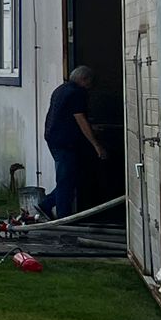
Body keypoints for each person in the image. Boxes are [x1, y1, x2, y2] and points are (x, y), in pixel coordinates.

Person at [43, 65, 108, 219]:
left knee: (69, 177)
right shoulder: (77, 93)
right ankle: (63, 217)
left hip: (54, 138)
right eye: (90, 82)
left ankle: (46, 205)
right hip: (65, 142)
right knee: (66, 179)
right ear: (83, 79)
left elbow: (66, 116)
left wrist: (91, 128)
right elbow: (80, 119)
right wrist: (97, 145)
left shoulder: (61, 89)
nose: (90, 87)